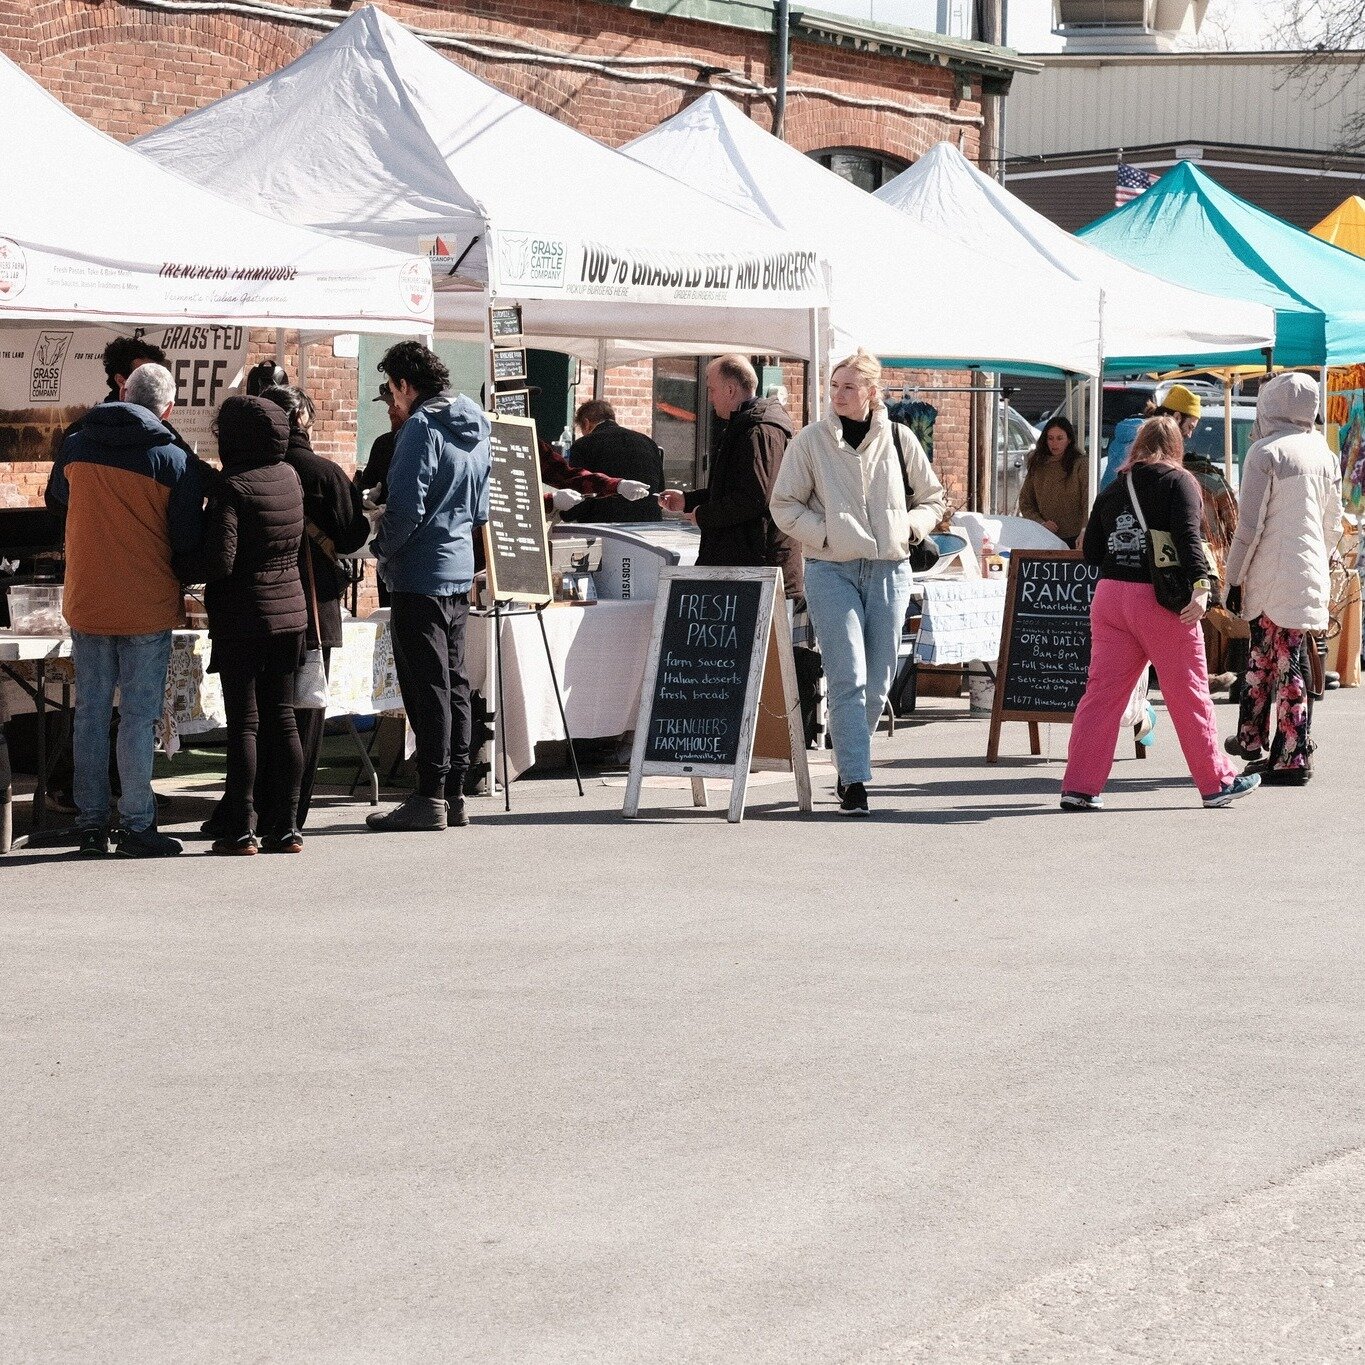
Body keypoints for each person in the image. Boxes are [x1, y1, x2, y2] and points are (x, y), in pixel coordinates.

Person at [770, 348, 946, 816]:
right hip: (832, 569)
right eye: (834, 385)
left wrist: (910, 527)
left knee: (881, 678)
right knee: (848, 673)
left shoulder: (901, 439)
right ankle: (854, 779)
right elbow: (784, 504)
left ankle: (850, 756)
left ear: (872, 392)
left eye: (849, 386)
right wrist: (827, 533)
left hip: (890, 568)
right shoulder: (810, 441)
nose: (838, 394)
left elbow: (933, 497)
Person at [1061, 415, 1259, 812]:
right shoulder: (1180, 481)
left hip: (1111, 597)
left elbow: (1092, 551)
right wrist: (1203, 588)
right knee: (1189, 693)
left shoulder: (1116, 486)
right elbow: (1189, 538)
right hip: (1161, 601)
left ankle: (1079, 786)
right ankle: (1215, 782)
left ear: (1136, 447)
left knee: (1100, 696)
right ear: (1175, 448)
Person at [45, 362, 202, 857]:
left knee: (90, 714)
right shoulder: (173, 457)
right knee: (137, 718)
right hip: (146, 601)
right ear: (168, 408)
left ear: (122, 391)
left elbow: (57, 500)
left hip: (87, 597)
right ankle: (137, 826)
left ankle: (90, 824)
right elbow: (185, 538)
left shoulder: (75, 443)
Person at [175, 396, 308, 854]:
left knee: (245, 726)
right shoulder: (288, 476)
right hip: (290, 613)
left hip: (244, 618)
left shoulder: (234, 487)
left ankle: (239, 829)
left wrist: (179, 563)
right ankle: (286, 827)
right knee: (284, 719)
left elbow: (220, 561)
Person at [367, 342, 490, 833]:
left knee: (427, 686)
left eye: (391, 390)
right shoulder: (476, 424)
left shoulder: (420, 427)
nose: (392, 402)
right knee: (454, 682)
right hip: (459, 567)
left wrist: (378, 549)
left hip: (420, 573)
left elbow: (407, 508)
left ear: (405, 384)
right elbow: (480, 510)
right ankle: (454, 792)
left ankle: (430, 795)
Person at [1224, 372, 1344, 785]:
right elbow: (1334, 523)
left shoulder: (1265, 452)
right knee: (1287, 657)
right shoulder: (1325, 454)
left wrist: (1232, 577)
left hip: (1269, 573)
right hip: (1309, 570)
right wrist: (1319, 559)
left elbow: (1249, 527)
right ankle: (1271, 745)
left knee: (1267, 659)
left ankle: (1283, 754)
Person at [260, 384, 371, 825]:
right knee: (305, 713)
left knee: (264, 711)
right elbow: (352, 536)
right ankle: (291, 814)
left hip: (263, 605)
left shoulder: (251, 470)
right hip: (315, 605)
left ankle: (257, 803)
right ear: (304, 421)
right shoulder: (325, 473)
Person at [661, 354, 802, 597]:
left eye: (712, 389)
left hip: (757, 567)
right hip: (742, 564)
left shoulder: (760, 430)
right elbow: (733, 488)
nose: (709, 397)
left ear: (730, 389)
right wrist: (688, 500)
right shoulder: (745, 426)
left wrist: (702, 515)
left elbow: (755, 498)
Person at [559, 399, 663, 523]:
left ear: (586, 423)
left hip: (603, 525)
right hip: (648, 522)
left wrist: (564, 515)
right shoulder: (648, 442)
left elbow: (578, 492)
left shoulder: (584, 444)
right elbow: (660, 490)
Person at [1100, 386, 1200, 493]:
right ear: (1177, 417)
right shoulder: (1150, 441)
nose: (1189, 435)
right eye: (1190, 427)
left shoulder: (1130, 432)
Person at [1017, 416, 1089, 546]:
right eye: (1050, 438)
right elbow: (1026, 502)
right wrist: (1041, 523)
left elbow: (1088, 501)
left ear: (1069, 440)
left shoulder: (1080, 464)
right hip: (1045, 536)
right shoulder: (1037, 463)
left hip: (1077, 538)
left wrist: (1085, 530)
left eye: (1060, 438)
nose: (1054, 443)